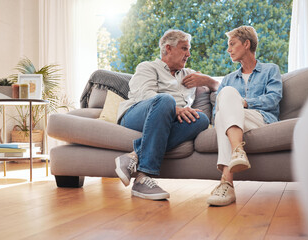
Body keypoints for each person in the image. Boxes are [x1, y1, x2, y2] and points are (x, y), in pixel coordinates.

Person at [115, 29, 219, 200]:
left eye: (189, 49)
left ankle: (133, 156)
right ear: (168, 48)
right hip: (137, 115)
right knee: (165, 100)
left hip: (169, 121)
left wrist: (208, 81)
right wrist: (175, 109)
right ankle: (144, 175)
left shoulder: (190, 75)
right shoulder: (147, 67)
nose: (189, 54)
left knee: (201, 119)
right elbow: (145, 95)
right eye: (184, 48)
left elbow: (226, 88)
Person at [207, 26, 283, 206]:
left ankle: (226, 183)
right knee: (224, 103)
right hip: (235, 121)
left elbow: (273, 99)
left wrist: (244, 103)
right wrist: (233, 105)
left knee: (226, 106)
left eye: (232, 44)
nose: (228, 49)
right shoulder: (228, 79)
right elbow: (217, 112)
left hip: (260, 118)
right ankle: (237, 153)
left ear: (247, 44)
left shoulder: (270, 70)